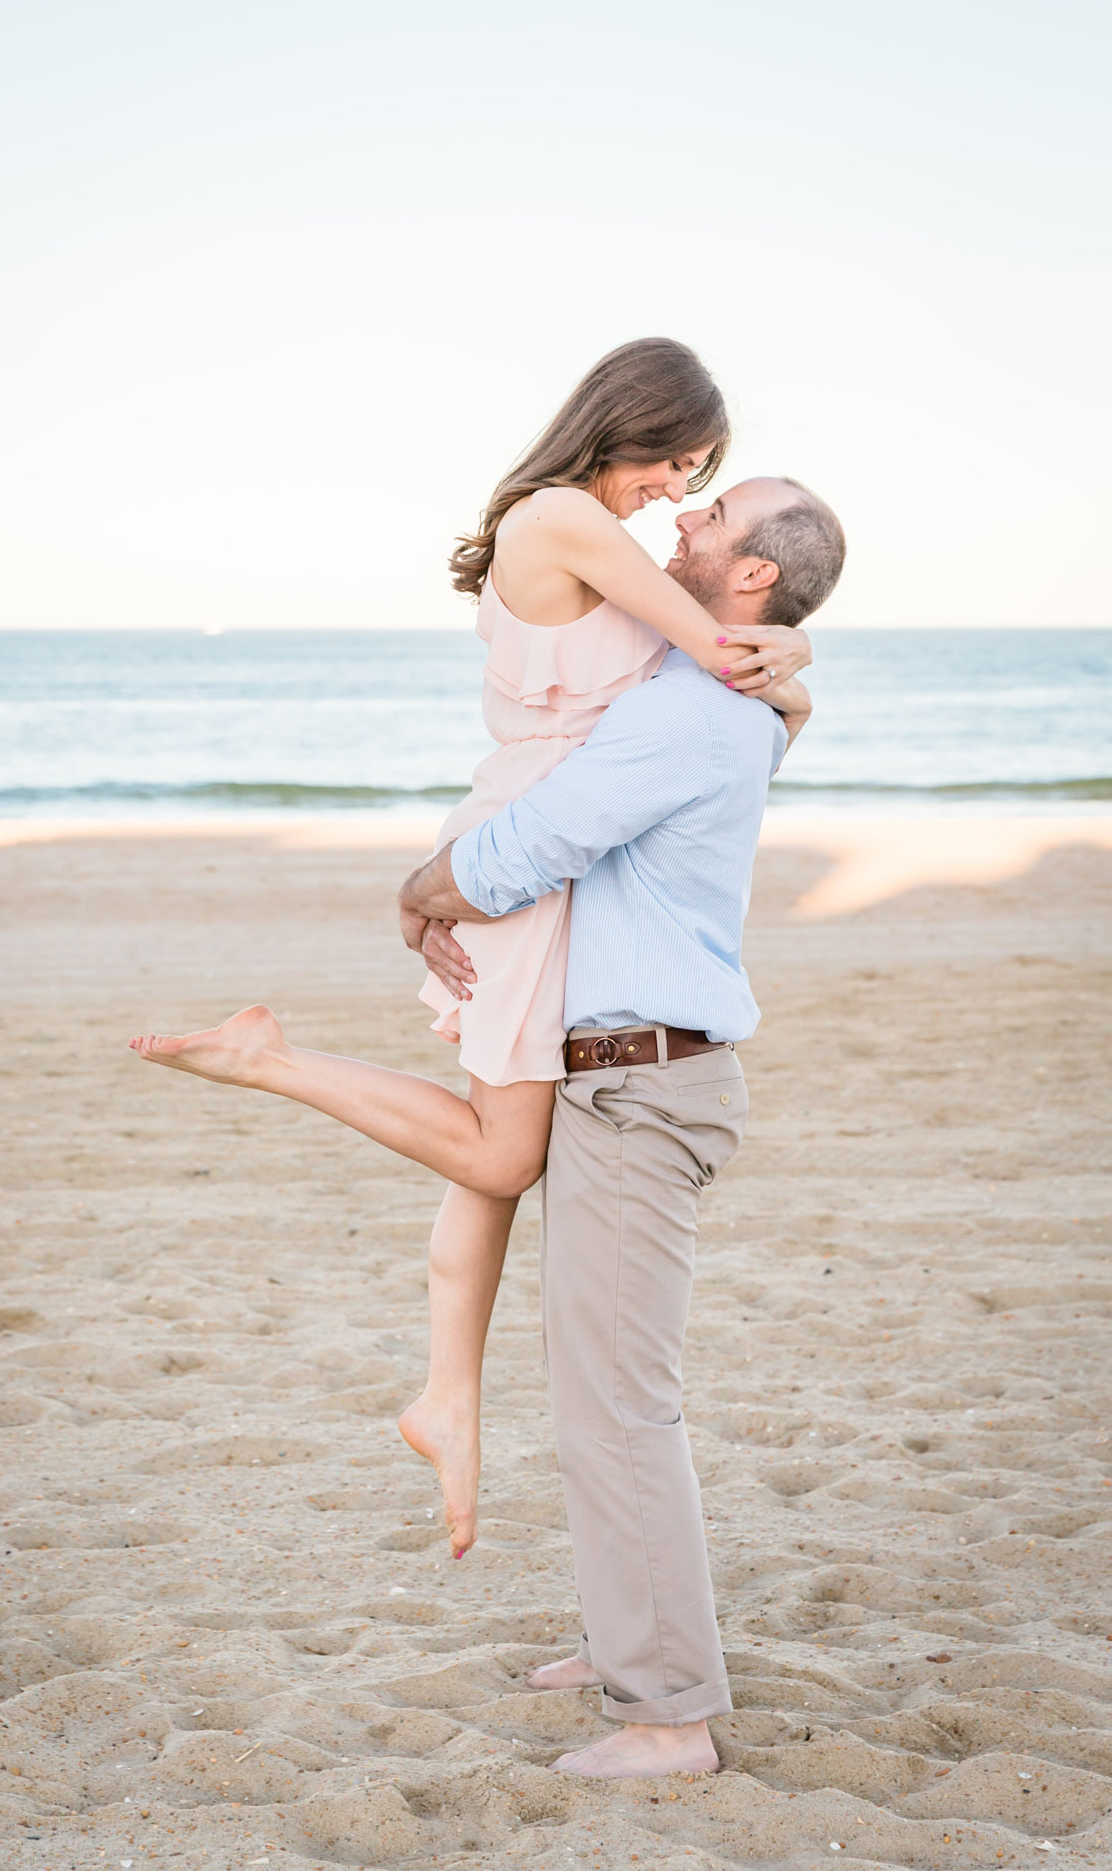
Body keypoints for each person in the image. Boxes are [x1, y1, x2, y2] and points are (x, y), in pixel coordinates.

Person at [128, 338, 821, 1559]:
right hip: (527, 855)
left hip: (538, 849)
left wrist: (787, 679)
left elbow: (705, 668)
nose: (673, 496)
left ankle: (448, 1394)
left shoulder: (568, 528)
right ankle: (270, 1061)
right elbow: (720, 652)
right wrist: (794, 663)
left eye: (696, 482)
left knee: (489, 1154)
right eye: (678, 467)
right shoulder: (561, 517)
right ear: (632, 425)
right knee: (503, 1153)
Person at [393, 471, 846, 1777]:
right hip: (633, 1077)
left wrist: (415, 891)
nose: (677, 525)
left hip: (642, 1086)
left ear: (751, 574)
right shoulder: (723, 692)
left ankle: (666, 1716)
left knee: (617, 1407)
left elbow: (534, 842)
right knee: (594, 1392)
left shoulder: (693, 706)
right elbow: (768, 709)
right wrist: (796, 670)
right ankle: (625, 1638)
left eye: (708, 520)